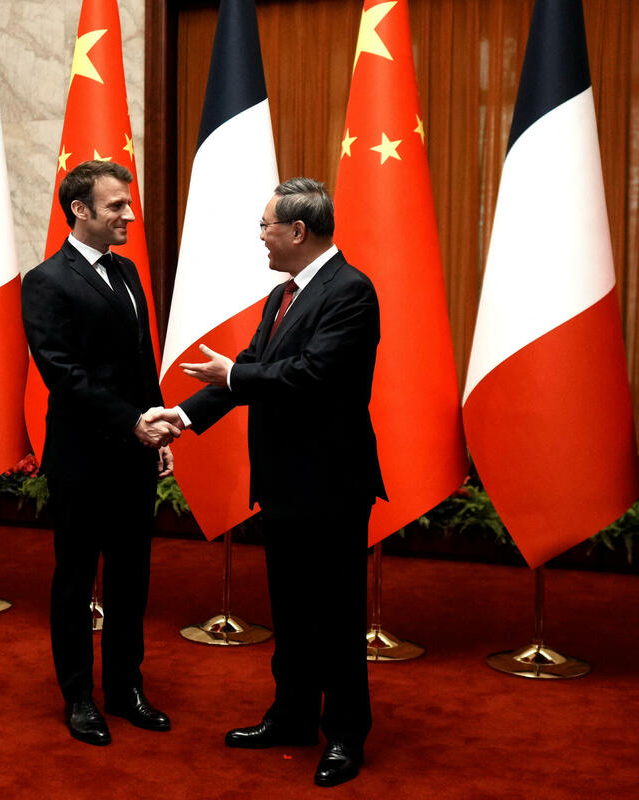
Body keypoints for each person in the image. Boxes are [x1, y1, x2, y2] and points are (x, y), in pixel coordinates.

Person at [153, 178, 385, 787]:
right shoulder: (282, 295)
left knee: (335, 616)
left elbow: (312, 376)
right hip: (282, 482)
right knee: (292, 610)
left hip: (331, 485)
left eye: (266, 225)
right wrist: (182, 416)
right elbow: (252, 371)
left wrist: (234, 376)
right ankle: (292, 716)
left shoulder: (351, 291)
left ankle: (345, 735)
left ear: (298, 231)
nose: (261, 236)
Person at [21, 160, 178, 747]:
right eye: (116, 206)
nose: (129, 215)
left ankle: (125, 688)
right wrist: (133, 422)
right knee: (76, 579)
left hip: (135, 453)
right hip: (82, 457)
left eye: (128, 204)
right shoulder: (46, 281)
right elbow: (63, 375)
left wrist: (158, 426)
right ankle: (79, 697)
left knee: (132, 577)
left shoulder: (127, 270)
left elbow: (140, 359)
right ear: (80, 210)